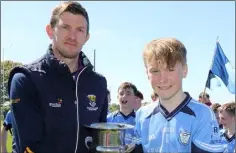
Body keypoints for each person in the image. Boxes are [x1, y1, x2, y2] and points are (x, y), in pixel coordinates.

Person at [7, 1, 108, 153]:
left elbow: (100, 142)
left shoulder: (98, 83)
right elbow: (29, 147)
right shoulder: (25, 78)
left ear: (87, 37)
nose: (72, 36)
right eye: (65, 27)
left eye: (80, 30)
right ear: (50, 30)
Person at [132, 38, 225, 153]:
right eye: (155, 71)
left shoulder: (202, 114)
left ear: (184, 70)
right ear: (147, 73)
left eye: (170, 69)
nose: (162, 79)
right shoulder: (142, 115)